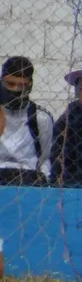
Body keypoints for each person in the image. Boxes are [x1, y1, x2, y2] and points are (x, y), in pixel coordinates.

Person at [0, 56, 54, 187]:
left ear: (29, 86)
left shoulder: (40, 118)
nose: (15, 90)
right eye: (10, 84)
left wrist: (44, 178)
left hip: (28, 180)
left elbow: (46, 158)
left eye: (21, 85)